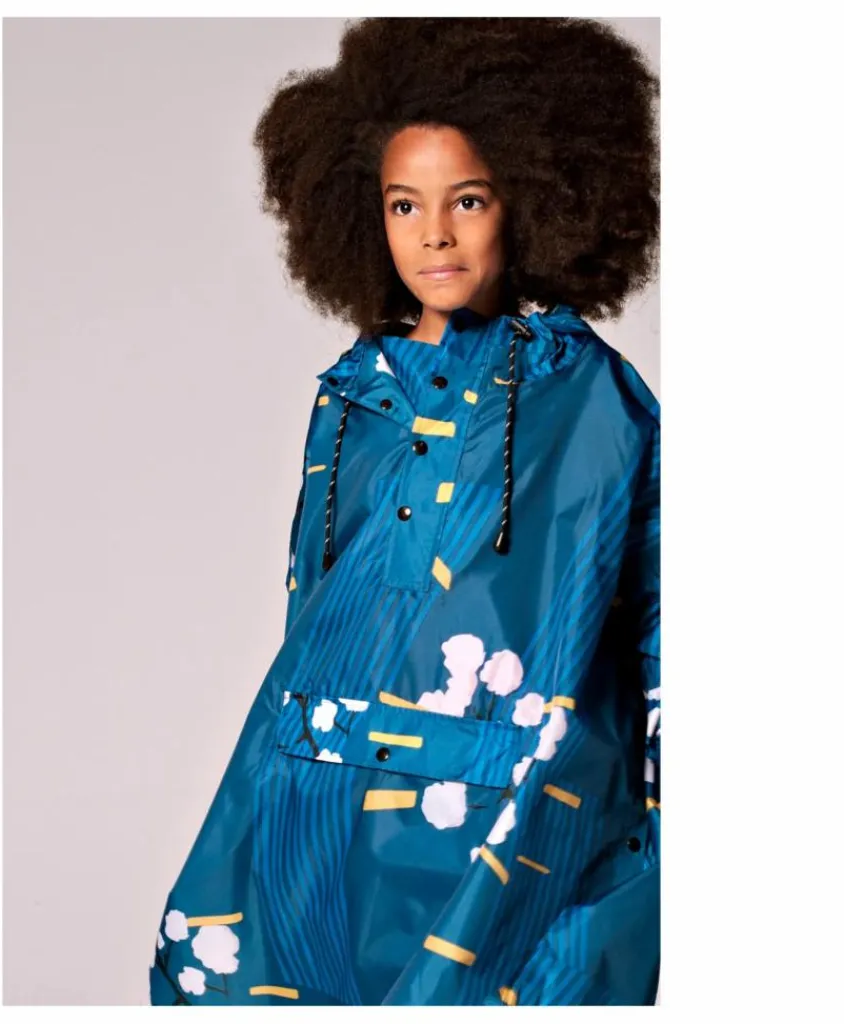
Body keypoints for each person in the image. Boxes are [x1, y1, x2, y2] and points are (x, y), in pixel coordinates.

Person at [148, 16, 660, 1006]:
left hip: (511, 823)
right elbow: (311, 618)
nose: (434, 234)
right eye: (402, 204)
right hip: (320, 810)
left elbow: (657, 617)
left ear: (532, 197)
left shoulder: (590, 396)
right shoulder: (352, 397)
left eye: (467, 198)